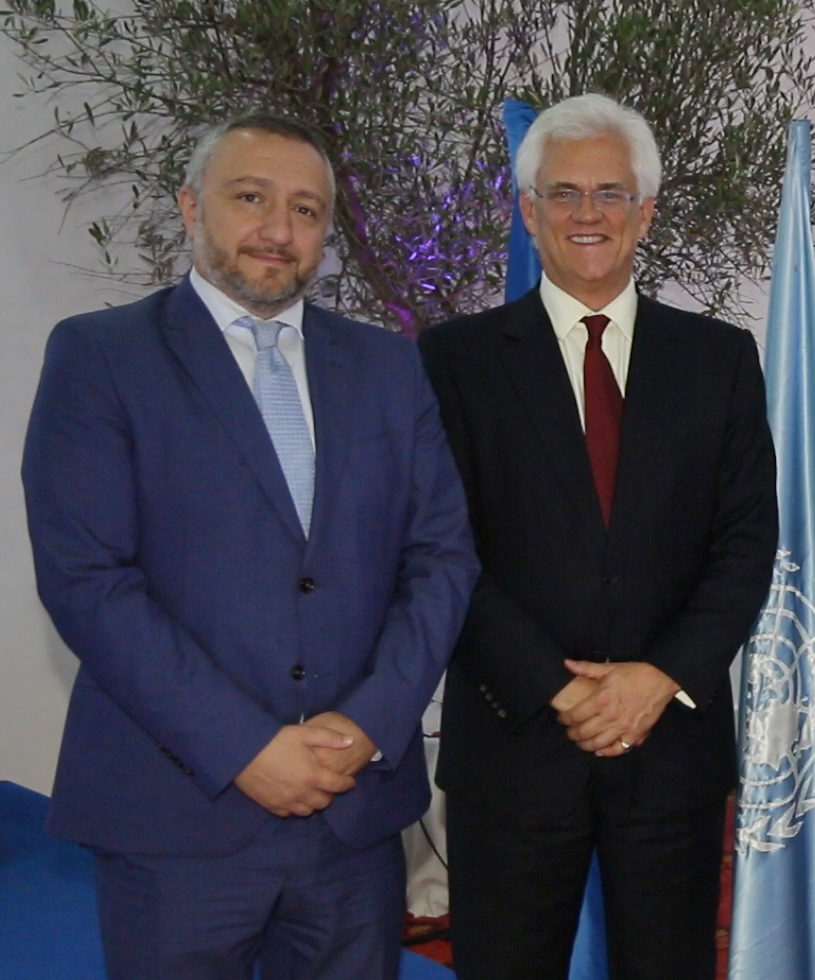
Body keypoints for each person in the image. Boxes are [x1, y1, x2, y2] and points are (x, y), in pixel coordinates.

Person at [20, 112, 480, 979]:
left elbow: (442, 559)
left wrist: (371, 723)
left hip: (352, 817)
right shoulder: (101, 356)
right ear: (191, 207)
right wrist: (244, 748)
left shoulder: (388, 368)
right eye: (250, 197)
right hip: (176, 818)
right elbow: (87, 579)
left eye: (306, 210)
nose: (278, 228)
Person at [416, 93, 778, 980]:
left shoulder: (720, 359)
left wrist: (659, 678)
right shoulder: (453, 360)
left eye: (611, 193)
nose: (589, 213)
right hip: (513, 745)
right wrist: (559, 689)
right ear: (527, 210)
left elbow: (744, 544)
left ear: (644, 212)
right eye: (564, 193)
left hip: (670, 751)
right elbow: (441, 548)